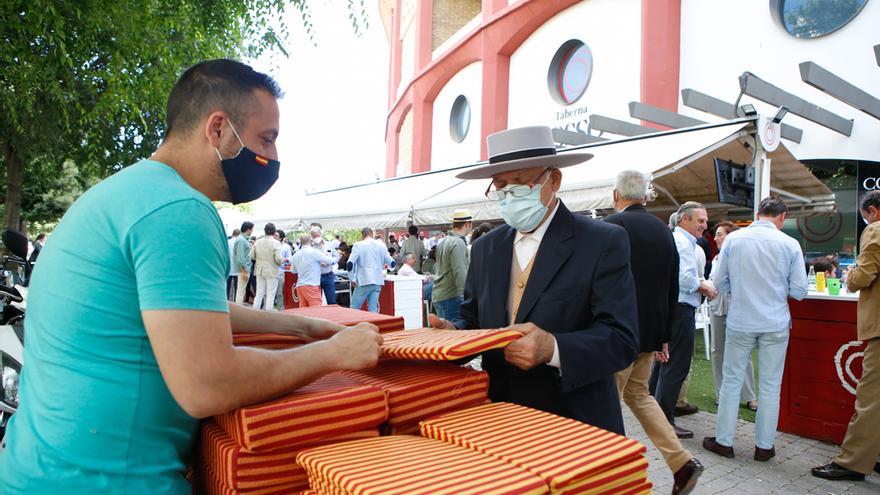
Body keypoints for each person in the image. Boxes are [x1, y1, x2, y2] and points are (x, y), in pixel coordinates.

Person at [0, 59, 383, 494]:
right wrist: (334, 354)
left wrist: (297, 325)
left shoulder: (125, 194)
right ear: (217, 129)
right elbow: (208, 384)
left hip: (35, 470)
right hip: (110, 481)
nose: (273, 158)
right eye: (266, 139)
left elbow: (179, 306)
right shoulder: (180, 210)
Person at [429, 126, 638, 434]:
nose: (510, 194)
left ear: (553, 180)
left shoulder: (601, 241)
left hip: (574, 420)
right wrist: (455, 334)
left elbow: (621, 339)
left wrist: (553, 347)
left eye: (520, 183)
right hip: (501, 416)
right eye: (501, 185)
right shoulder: (487, 247)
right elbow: (474, 319)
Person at [604, 171, 703, 494]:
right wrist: (662, 335)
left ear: (616, 195)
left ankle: (611, 474)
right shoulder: (665, 232)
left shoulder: (611, 228)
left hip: (616, 332)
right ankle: (681, 461)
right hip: (648, 332)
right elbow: (670, 287)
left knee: (606, 403)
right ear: (645, 197)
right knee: (638, 395)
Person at [704, 196, 808, 462]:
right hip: (775, 321)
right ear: (782, 217)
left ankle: (724, 441)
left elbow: (720, 282)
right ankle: (764, 446)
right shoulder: (790, 243)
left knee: (731, 382)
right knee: (771, 386)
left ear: (758, 213)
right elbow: (799, 291)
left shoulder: (735, 240)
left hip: (741, 319)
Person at [812, 190, 880, 481]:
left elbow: (864, 275)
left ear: (873, 211)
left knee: (870, 399)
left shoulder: (876, 230)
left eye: (865, 217)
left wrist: (850, 276)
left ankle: (852, 462)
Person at [654, 201, 717, 439]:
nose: (704, 225)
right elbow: (685, 278)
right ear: (685, 220)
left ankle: (655, 416)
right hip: (680, 309)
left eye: (705, 220)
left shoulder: (680, 240)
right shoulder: (682, 242)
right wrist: (705, 288)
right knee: (675, 365)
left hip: (675, 308)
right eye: (700, 220)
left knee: (663, 364)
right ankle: (664, 422)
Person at [709, 221, 758, 411]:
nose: (715, 238)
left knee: (742, 350)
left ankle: (749, 395)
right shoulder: (715, 259)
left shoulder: (743, 257)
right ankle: (721, 392)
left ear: (731, 236)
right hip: (718, 306)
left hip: (738, 306)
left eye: (719, 234)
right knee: (718, 350)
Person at [431, 209, 472, 321]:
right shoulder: (458, 242)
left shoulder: (443, 240)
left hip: (439, 293)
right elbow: (460, 271)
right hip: (451, 295)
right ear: (468, 223)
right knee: (453, 334)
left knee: (444, 333)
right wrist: (468, 296)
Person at [348, 227, 395, 312]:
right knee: (373, 309)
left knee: (354, 308)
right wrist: (390, 269)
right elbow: (391, 262)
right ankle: (374, 324)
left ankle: (351, 324)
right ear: (372, 234)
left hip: (364, 280)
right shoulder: (381, 245)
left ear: (362, 235)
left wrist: (352, 278)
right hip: (377, 281)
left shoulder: (358, 245)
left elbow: (350, 263)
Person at [291, 235, 332, 307]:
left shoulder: (295, 255)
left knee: (304, 311)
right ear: (311, 241)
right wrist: (337, 258)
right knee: (316, 310)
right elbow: (328, 260)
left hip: (300, 286)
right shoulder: (314, 252)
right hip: (312, 285)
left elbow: (293, 271)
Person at [251, 223, 284, 311]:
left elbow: (252, 256)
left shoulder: (257, 242)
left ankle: (255, 312)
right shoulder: (276, 243)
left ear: (265, 231)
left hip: (259, 269)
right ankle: (269, 313)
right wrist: (282, 260)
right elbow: (278, 259)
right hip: (272, 270)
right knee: (270, 294)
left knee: (259, 293)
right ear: (274, 232)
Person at [311, 225, 339, 305]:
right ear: (311, 237)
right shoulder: (310, 247)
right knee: (316, 302)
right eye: (314, 236)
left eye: (317, 235)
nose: (316, 238)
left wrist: (330, 261)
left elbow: (337, 257)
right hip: (316, 276)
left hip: (328, 275)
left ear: (320, 234)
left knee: (332, 301)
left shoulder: (329, 245)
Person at [233, 221, 254, 303]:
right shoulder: (241, 240)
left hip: (243, 269)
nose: (252, 231)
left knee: (241, 291)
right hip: (243, 270)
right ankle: (238, 311)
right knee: (241, 292)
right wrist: (244, 271)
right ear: (248, 229)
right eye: (252, 229)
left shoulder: (241, 239)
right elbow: (240, 258)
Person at [275, 230, 292, 310]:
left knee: (279, 292)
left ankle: (280, 308)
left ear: (281, 238)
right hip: (270, 271)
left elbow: (290, 259)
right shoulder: (271, 245)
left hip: (280, 271)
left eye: (276, 236)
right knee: (267, 292)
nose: (274, 237)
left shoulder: (286, 247)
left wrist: (284, 260)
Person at [227, 228, 241, 301]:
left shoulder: (227, 242)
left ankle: (226, 300)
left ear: (232, 234)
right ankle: (236, 301)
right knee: (237, 287)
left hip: (228, 267)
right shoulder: (240, 242)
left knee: (227, 286)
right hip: (237, 268)